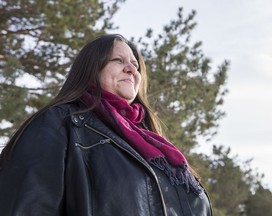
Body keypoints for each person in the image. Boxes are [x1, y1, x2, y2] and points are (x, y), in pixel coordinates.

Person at [0, 34, 212, 216]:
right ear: (92, 69)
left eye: (135, 65)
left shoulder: (155, 144)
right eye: (119, 60)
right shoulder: (59, 123)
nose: (131, 69)